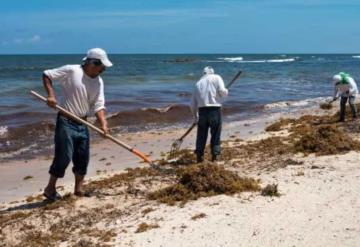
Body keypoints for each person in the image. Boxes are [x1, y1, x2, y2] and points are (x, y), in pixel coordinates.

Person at [42, 48, 112, 201]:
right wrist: (51, 96)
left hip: (83, 123)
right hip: (66, 121)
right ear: (92, 63)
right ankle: (50, 189)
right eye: (102, 67)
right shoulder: (72, 71)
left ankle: (79, 189)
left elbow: (98, 105)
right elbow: (47, 75)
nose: (104, 70)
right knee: (64, 157)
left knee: (82, 157)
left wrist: (103, 124)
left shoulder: (98, 81)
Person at [190, 66, 228, 163]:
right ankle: (215, 157)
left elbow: (192, 105)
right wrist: (225, 92)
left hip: (202, 112)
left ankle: (199, 157)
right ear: (212, 72)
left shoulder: (197, 83)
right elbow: (223, 92)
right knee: (215, 134)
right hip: (214, 110)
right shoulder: (217, 77)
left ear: (203, 73)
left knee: (201, 135)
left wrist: (195, 117)